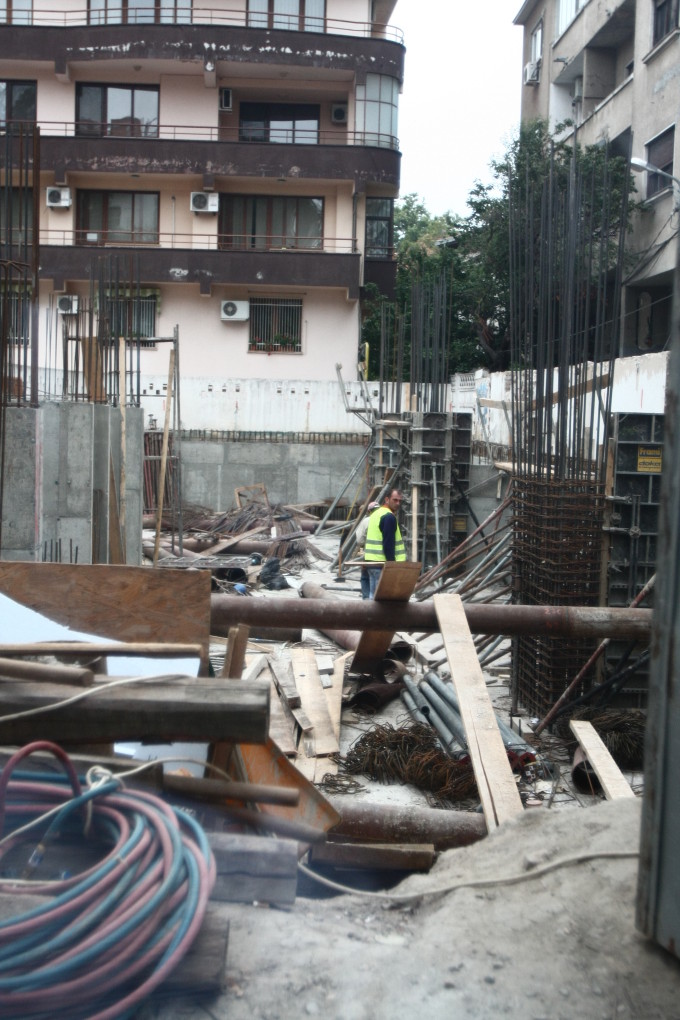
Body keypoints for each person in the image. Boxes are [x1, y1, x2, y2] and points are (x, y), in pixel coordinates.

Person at [364, 488, 406, 599]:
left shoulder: (375, 514)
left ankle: (368, 616)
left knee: (372, 596)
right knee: (381, 599)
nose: (397, 503)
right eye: (395, 500)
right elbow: (388, 543)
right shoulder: (388, 517)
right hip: (381, 564)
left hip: (371, 562)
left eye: (399, 501)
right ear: (387, 499)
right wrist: (391, 564)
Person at [354, 500, 380, 599]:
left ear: (369, 511)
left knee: (365, 576)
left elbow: (359, 540)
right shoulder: (385, 520)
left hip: (367, 553)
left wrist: (361, 555)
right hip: (380, 556)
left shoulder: (366, 521)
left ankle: (366, 599)